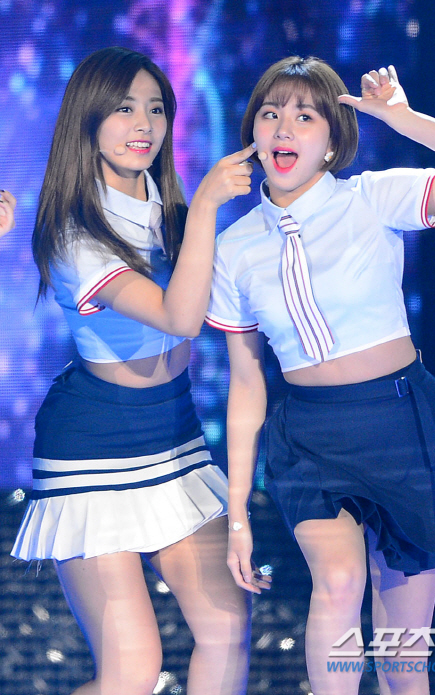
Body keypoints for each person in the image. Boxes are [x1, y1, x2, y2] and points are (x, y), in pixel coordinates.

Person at [205, 56, 435, 695]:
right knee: (340, 580)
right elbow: (247, 383)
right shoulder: (234, 247)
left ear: (332, 140)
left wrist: (401, 118)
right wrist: (236, 514)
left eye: (305, 116)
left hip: (403, 421)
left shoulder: (372, 197)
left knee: (405, 662)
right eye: (271, 114)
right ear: (253, 134)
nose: (284, 128)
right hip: (310, 437)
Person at [11, 46, 270, 695]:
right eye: (125, 108)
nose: (144, 124)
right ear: (90, 118)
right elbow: (179, 318)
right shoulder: (75, 232)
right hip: (92, 453)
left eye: (156, 108)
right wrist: (207, 205)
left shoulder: (169, 214)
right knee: (131, 672)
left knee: (227, 626)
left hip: (174, 436)